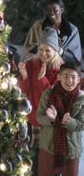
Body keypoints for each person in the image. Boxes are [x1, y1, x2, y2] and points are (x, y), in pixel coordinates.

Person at [19, 27, 64, 174]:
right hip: (32, 120)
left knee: (47, 161)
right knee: (31, 159)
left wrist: (42, 80)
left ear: (55, 51)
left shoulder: (61, 71)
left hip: (49, 123)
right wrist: (25, 77)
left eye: (48, 50)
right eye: (41, 49)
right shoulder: (32, 65)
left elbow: (54, 99)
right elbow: (24, 93)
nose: (44, 54)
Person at [36, 62, 84, 175]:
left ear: (78, 80)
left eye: (73, 77)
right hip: (48, 146)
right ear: (59, 77)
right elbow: (39, 117)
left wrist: (69, 122)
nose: (69, 81)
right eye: (66, 76)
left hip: (71, 149)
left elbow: (82, 124)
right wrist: (51, 119)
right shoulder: (48, 94)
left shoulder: (81, 99)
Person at [25, 0, 82, 66]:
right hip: (39, 65)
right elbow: (29, 47)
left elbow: (74, 58)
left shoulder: (72, 30)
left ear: (62, 10)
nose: (52, 13)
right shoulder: (38, 25)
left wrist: (59, 50)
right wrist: (43, 49)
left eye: (55, 10)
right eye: (49, 10)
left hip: (63, 68)